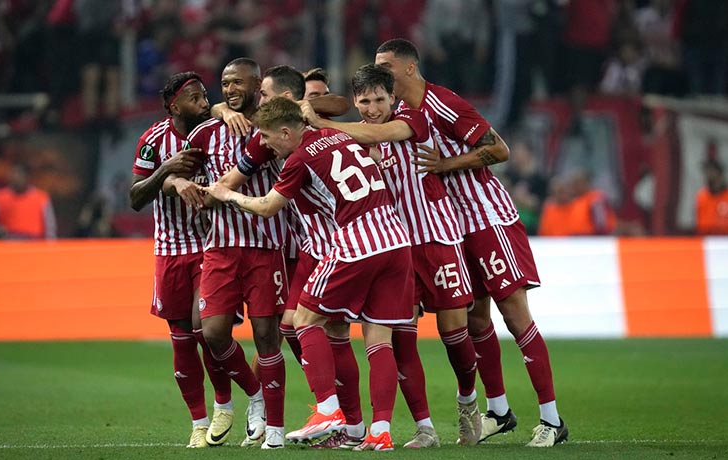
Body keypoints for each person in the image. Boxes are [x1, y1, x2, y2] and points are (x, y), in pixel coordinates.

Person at [375, 38, 568, 447]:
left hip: (486, 217)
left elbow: (499, 149)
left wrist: (446, 165)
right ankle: (498, 410)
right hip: (452, 226)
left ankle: (552, 419)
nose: (382, 73)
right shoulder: (403, 112)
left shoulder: (441, 102)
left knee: (515, 316)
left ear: (409, 68)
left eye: (386, 66)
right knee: (477, 320)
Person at [203, 96, 413, 451]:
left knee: (303, 318)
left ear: (287, 132)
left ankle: (328, 409)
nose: (265, 144)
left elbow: (268, 207)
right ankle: (379, 431)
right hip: (396, 240)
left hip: (356, 242)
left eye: (268, 137)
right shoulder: (339, 136)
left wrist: (228, 195)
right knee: (379, 341)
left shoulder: (300, 158)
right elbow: (375, 157)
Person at [302, 63, 481, 448]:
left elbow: (376, 131)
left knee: (454, 334)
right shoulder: (356, 139)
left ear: (392, 98)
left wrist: (322, 124)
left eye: (379, 99)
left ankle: (468, 398)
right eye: (363, 101)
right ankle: (425, 428)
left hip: (436, 237)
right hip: (391, 245)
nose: (371, 108)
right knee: (400, 340)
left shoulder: (411, 119)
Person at [129, 71, 259, 449]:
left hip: (211, 245)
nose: (205, 102)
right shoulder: (153, 140)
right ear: (174, 105)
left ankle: (236, 401)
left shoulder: (217, 128)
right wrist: (168, 173)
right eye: (195, 97)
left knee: (208, 331)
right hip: (169, 250)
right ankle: (199, 424)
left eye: (206, 95)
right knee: (182, 341)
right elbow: (136, 196)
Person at [163, 58, 285, 450]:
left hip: (267, 244)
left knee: (267, 336)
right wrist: (183, 184)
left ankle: (275, 424)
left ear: (256, 84)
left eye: (237, 83)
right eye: (225, 84)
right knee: (211, 332)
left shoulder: (271, 127)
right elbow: (174, 173)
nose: (229, 90)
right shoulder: (206, 132)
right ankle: (255, 396)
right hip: (220, 248)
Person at [0, 164, 57, 240]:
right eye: (14, 176)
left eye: (19, 176)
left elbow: (50, 228)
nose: (16, 179)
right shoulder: (1, 197)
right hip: (8, 242)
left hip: (34, 243)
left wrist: (49, 247)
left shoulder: (41, 198)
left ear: (27, 178)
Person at [695, 157, 728, 235]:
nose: (709, 175)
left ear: (719, 173)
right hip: (706, 239)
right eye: (707, 172)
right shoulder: (702, 195)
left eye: (712, 171)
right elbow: (699, 224)